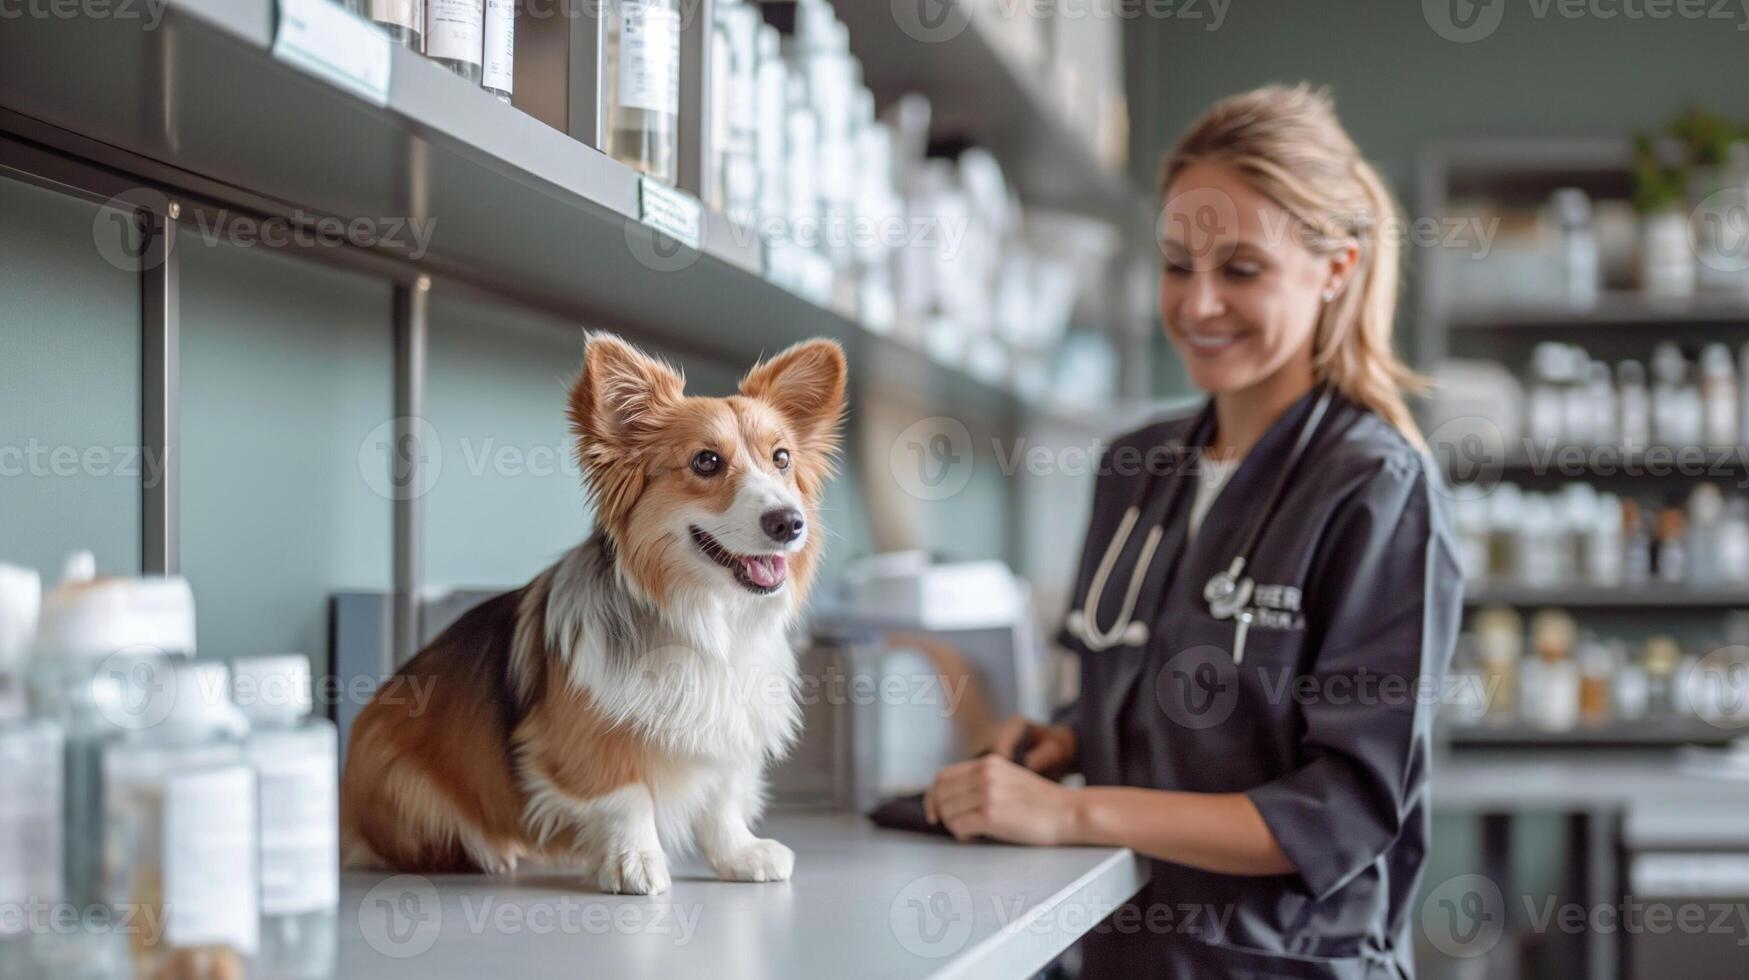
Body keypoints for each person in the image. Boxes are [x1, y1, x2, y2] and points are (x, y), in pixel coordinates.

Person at [923, 84, 1464, 978]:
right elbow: (1156, 699)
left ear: (1335, 268)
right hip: (1119, 947)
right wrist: (1070, 742)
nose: (1198, 304)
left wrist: (1070, 812)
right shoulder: (1136, 465)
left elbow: (1343, 807)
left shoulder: (1377, 489)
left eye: (1241, 270)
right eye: (1177, 265)